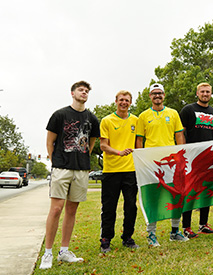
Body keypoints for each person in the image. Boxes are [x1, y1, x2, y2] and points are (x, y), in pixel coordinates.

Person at [40, 81, 100, 269]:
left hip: (81, 170)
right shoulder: (60, 115)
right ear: (72, 93)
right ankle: (48, 253)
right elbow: (50, 141)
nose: (84, 92)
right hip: (61, 168)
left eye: (87, 91)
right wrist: (54, 161)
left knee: (71, 210)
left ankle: (64, 251)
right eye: (81, 90)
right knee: (56, 209)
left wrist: (83, 158)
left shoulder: (92, 118)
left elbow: (91, 142)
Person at [136, 83, 188, 246]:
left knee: (176, 195)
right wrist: (141, 159)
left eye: (160, 93)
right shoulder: (143, 116)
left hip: (172, 163)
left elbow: (179, 136)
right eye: (154, 93)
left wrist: (180, 157)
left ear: (164, 95)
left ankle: (175, 231)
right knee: (154, 197)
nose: (157, 96)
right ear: (150, 96)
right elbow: (139, 140)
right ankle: (151, 234)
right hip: (151, 163)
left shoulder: (173, 113)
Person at [99, 90, 140, 253]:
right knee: (109, 206)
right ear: (115, 101)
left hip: (131, 170)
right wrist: (119, 152)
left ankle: (128, 238)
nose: (124, 102)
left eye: (127, 100)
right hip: (111, 171)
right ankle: (105, 239)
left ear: (130, 103)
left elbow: (139, 144)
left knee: (131, 206)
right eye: (121, 100)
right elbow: (103, 145)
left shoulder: (136, 121)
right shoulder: (107, 120)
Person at [179, 82, 213, 235]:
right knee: (190, 192)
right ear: (197, 93)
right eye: (202, 91)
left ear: (211, 94)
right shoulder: (188, 110)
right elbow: (181, 132)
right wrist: (183, 151)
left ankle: (203, 224)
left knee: (206, 191)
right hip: (191, 157)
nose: (205, 94)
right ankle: (186, 227)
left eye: (208, 92)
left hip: (208, 158)